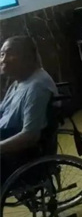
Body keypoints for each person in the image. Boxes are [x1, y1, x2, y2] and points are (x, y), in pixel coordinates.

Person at [0, 36, 58, 183]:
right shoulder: (19, 82)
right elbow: (2, 110)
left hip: (17, 155)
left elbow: (30, 136)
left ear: (27, 57)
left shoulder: (36, 87)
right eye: (2, 54)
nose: (3, 60)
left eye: (10, 54)